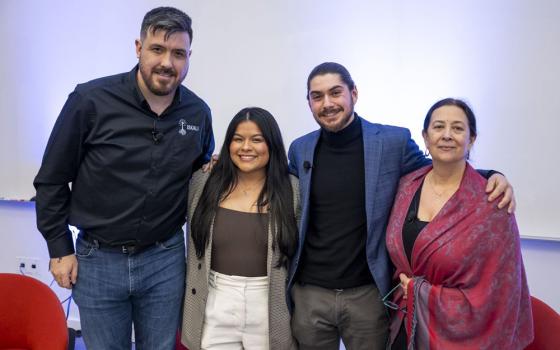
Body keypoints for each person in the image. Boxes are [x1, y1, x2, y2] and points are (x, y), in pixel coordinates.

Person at [286, 62, 515, 350]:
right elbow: (280, 187)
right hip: (310, 295)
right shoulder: (300, 148)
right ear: (308, 102)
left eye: (335, 93)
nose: (327, 103)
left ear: (354, 93)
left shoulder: (392, 142)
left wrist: (491, 176)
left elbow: (438, 168)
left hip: (368, 295)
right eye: (317, 96)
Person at [33, 7, 214, 350]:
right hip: (98, 260)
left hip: (164, 260)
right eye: (157, 49)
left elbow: (199, 178)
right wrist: (59, 249)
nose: (167, 63)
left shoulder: (198, 113)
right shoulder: (89, 101)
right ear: (138, 47)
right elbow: (52, 180)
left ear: (188, 57)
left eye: (178, 53)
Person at [385, 98, 533, 349]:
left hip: (460, 336)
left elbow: (499, 293)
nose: (446, 135)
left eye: (457, 128)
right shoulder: (405, 187)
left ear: (471, 139)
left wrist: (420, 292)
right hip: (402, 324)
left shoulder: (493, 202)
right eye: (438, 127)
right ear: (425, 136)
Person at [181, 107, 299, 350]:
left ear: (272, 144)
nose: (246, 147)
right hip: (215, 300)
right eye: (238, 139)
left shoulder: (293, 189)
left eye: (257, 139)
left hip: (269, 304)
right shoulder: (203, 182)